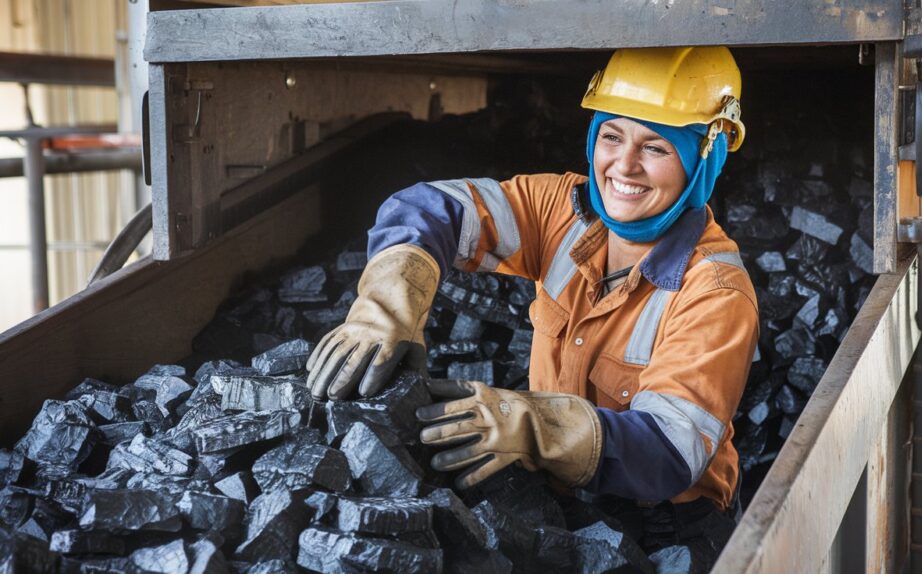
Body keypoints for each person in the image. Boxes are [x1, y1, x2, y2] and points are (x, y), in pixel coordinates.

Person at [305, 46, 759, 565]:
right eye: (611, 136)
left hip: (666, 524)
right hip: (560, 494)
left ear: (706, 157)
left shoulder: (716, 290)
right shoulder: (561, 210)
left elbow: (669, 454)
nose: (623, 165)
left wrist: (531, 425)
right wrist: (385, 308)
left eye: (655, 146)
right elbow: (427, 207)